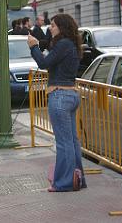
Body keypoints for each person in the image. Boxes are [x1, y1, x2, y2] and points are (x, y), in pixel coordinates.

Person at [27, 14, 86, 192]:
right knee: (72, 141)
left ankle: (64, 182)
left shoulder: (63, 44)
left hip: (59, 95)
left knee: (63, 143)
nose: (50, 28)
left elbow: (44, 63)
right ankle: (77, 178)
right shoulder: (71, 44)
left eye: (52, 25)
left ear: (62, 27)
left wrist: (34, 47)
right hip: (70, 95)